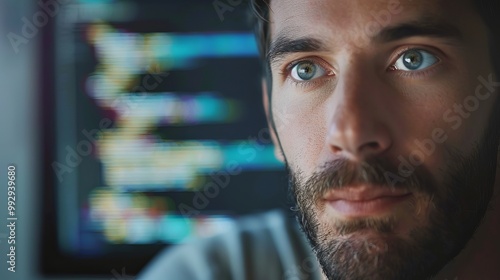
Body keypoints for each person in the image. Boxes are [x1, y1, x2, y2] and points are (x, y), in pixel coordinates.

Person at [138, 0, 500, 279]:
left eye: (413, 59)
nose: (351, 135)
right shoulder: (210, 272)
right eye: (305, 69)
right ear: (271, 117)